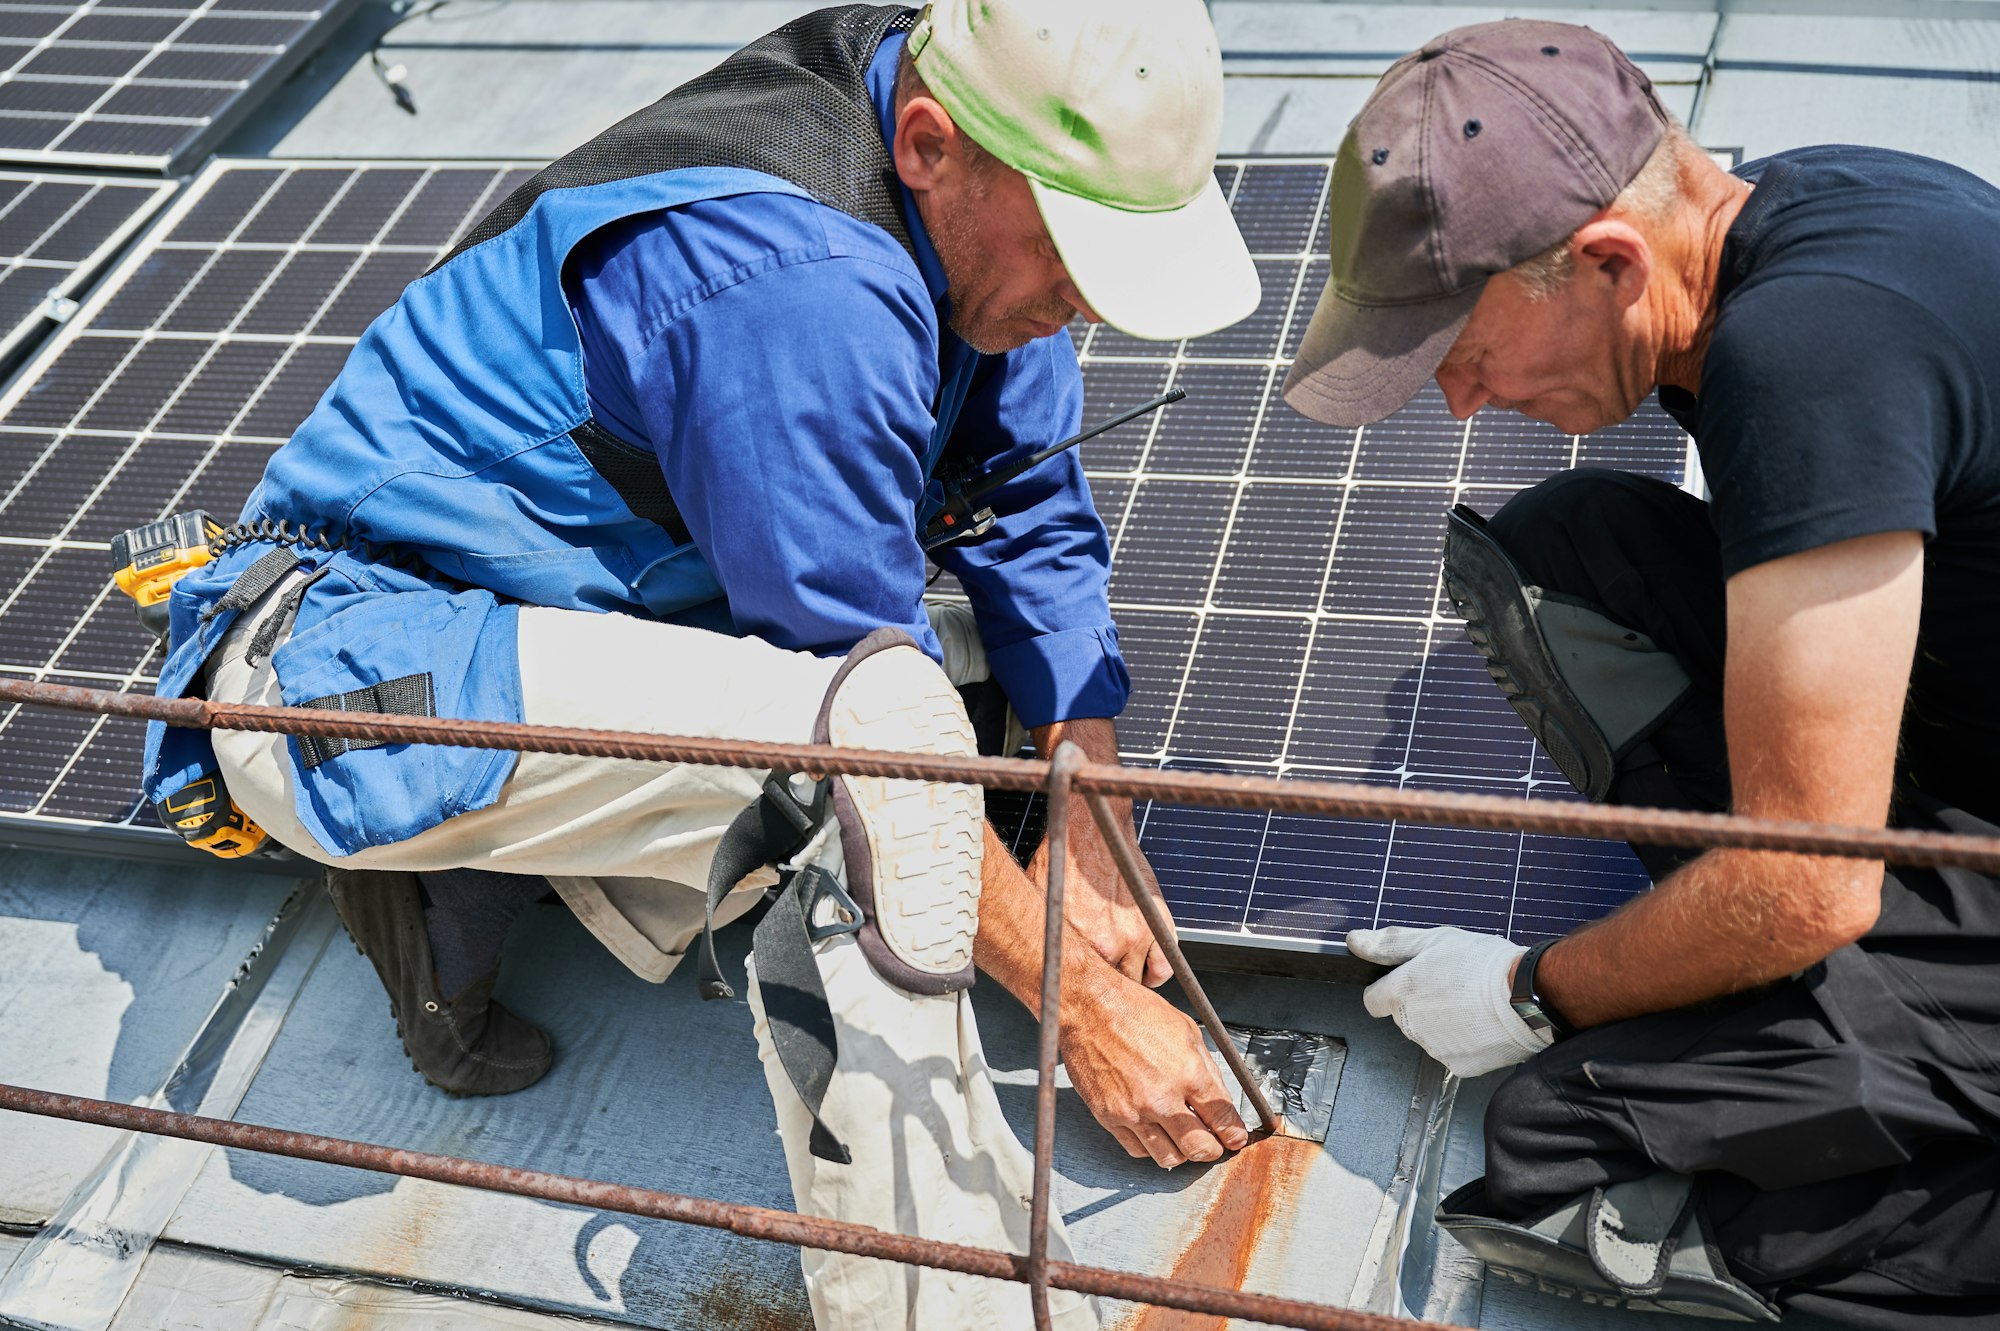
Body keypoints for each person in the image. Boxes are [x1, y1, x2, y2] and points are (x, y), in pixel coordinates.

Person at [139, 3, 1263, 1326]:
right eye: (1077, 258)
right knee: (891, 744)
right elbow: (860, 729)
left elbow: (1020, 506)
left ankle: (495, 877)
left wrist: (1097, 822)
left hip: (552, 634)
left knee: (968, 716)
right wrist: (1079, 999)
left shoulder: (974, 163)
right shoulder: (800, 280)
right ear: (926, 143)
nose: (1084, 305)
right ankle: (933, 1311)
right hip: (343, 683)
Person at [1283, 19, 2000, 1328]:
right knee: (1567, 553)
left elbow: (1805, 882)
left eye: (1462, 350)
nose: (1456, 402)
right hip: (1966, 724)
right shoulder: (1796, 215)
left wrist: (1533, 992)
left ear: (1610, 261)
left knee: (1566, 1146)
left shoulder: (1809, 357)